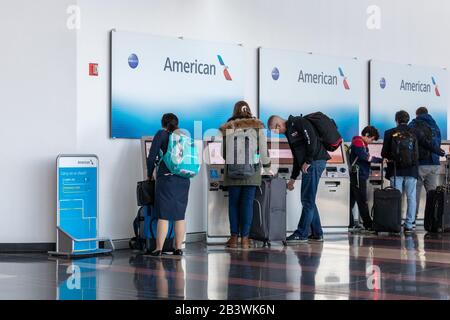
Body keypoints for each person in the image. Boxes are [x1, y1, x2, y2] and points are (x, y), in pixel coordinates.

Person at [267, 115, 330, 243]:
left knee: (307, 200)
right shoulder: (289, 133)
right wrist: (293, 178)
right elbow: (297, 157)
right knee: (309, 199)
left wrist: (308, 161)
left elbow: (311, 139)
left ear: (278, 125)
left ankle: (301, 233)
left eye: (275, 131)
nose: (277, 134)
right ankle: (317, 233)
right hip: (311, 163)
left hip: (315, 162)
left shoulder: (299, 122)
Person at [220, 101, 271, 249]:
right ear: (249, 110)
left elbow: (224, 153)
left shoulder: (228, 127)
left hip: (232, 173)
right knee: (247, 204)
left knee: (234, 205)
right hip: (252, 173)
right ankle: (246, 239)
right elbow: (263, 151)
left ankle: (233, 238)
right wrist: (267, 167)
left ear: (234, 111)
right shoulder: (257, 127)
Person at [146, 113, 190, 256]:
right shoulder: (183, 136)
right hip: (183, 179)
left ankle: (159, 249)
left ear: (163, 123)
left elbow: (152, 156)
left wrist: (149, 173)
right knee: (179, 215)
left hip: (166, 179)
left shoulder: (161, 134)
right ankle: (178, 248)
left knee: (163, 216)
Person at [381, 110, 419, 234]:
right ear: (408, 120)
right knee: (411, 197)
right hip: (411, 170)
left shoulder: (389, 133)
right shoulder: (414, 132)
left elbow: (384, 153)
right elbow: (417, 153)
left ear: (396, 119)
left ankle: (395, 223)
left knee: (396, 197)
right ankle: (409, 224)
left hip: (395, 170)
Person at [409, 107, 445, 227]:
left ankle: (412, 220)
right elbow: (437, 144)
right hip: (434, 164)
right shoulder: (435, 125)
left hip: (420, 163)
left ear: (417, 113)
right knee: (433, 194)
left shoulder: (414, 123)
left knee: (415, 194)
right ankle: (432, 220)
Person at [348, 126, 383, 232]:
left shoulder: (360, 142)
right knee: (362, 200)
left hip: (357, 175)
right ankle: (368, 224)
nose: (371, 141)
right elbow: (365, 157)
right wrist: (380, 160)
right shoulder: (358, 142)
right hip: (359, 176)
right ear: (367, 135)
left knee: (352, 200)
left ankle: (350, 223)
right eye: (371, 139)